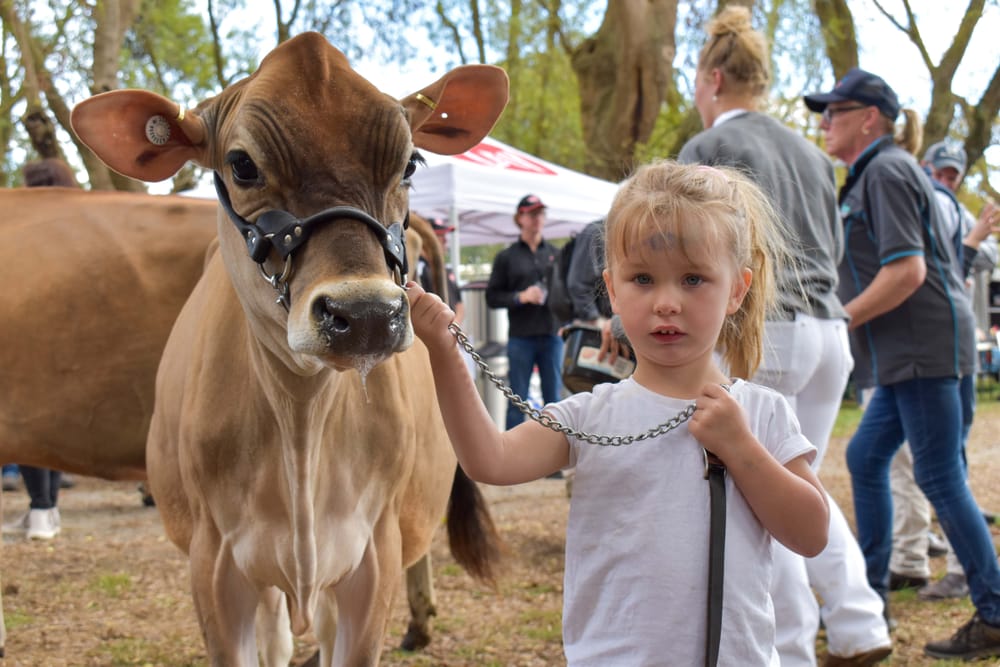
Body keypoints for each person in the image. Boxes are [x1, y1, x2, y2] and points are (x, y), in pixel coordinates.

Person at [407, 160, 830, 665]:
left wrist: (741, 449)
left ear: (737, 289)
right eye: (643, 279)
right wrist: (443, 350)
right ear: (612, 289)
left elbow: (811, 533)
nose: (667, 302)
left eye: (694, 279)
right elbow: (491, 460)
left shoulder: (761, 413)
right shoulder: (590, 416)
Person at [679, 8, 890, 666]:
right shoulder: (808, 149)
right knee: (799, 482)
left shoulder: (705, 150)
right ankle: (858, 623)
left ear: (713, 79)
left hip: (762, 331)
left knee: (759, 489)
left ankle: (794, 646)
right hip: (829, 330)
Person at [804, 67, 1000, 660]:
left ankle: (993, 611)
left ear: (869, 118)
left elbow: (908, 270)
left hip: (924, 347)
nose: (823, 123)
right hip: (908, 351)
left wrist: (839, 319)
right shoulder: (875, 173)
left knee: (938, 475)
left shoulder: (885, 171)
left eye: (834, 113)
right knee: (866, 456)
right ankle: (873, 592)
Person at [887, 140, 1000, 602]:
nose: (946, 182)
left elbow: (947, 273)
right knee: (894, 459)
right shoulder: (925, 208)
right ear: (923, 169)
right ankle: (911, 557)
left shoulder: (948, 216)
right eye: (941, 173)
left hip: (947, 352)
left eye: (953, 177)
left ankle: (970, 578)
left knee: (941, 466)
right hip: (928, 350)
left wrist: (971, 243)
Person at [2, 157, 79, 541]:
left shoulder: (35, 227)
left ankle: (42, 512)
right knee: (47, 423)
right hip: (69, 341)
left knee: (28, 423)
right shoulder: (82, 225)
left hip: (35, 336)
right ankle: (46, 510)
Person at [485, 194, 564, 434]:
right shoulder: (506, 257)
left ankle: (555, 461)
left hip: (552, 336)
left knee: (555, 402)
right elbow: (492, 297)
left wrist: (565, 320)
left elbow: (567, 294)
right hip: (521, 338)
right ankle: (511, 462)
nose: (537, 218)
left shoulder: (555, 253)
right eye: (532, 213)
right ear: (520, 218)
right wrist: (521, 297)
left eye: (540, 213)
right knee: (516, 399)